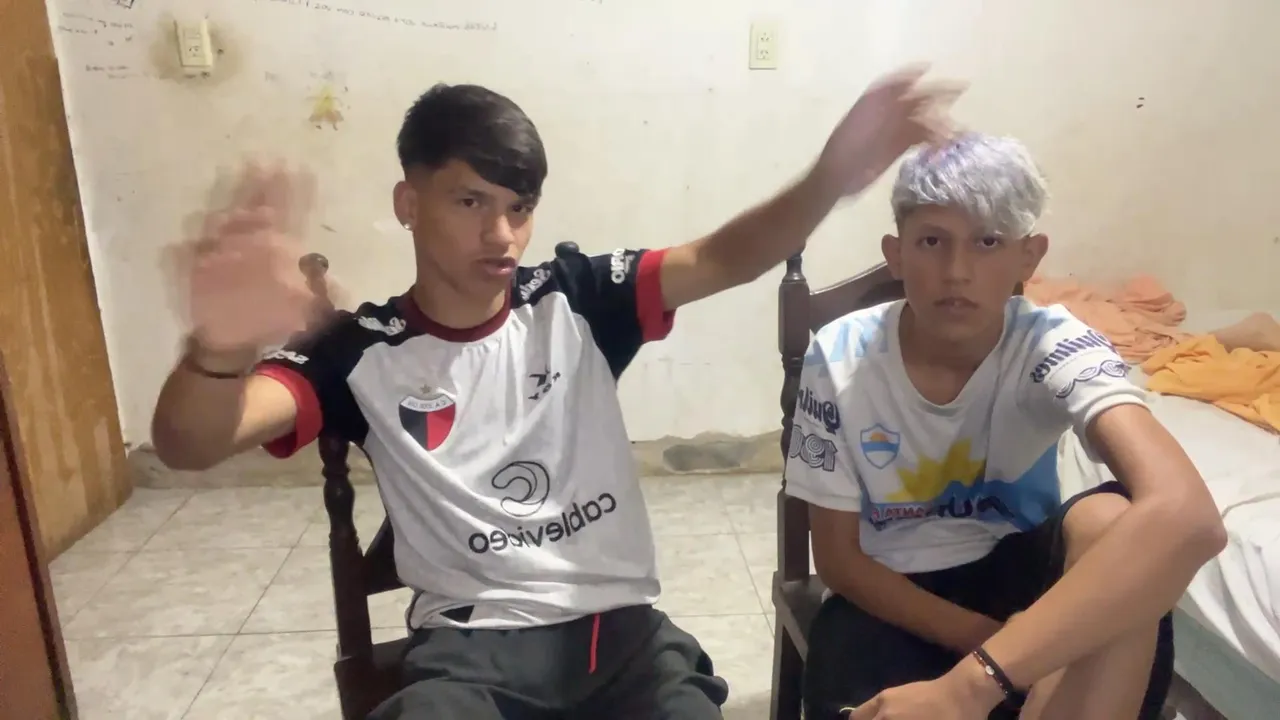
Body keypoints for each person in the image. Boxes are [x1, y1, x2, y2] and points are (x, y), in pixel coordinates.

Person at [150, 67, 963, 719]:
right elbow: (190, 443)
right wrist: (218, 345)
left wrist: (829, 178)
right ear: (409, 203)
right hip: (467, 654)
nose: (500, 234)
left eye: (520, 208)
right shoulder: (360, 349)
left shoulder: (575, 298)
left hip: (624, 641)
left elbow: (727, 256)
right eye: (470, 201)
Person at [786, 133, 1227, 720]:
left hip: (1024, 576)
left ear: (1029, 257)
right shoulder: (841, 355)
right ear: (896, 254)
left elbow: (1190, 518)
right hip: (891, 595)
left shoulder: (1053, 342)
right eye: (932, 241)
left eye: (988, 242)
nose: (956, 271)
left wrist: (973, 683)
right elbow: (840, 562)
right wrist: (993, 646)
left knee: (1113, 520)